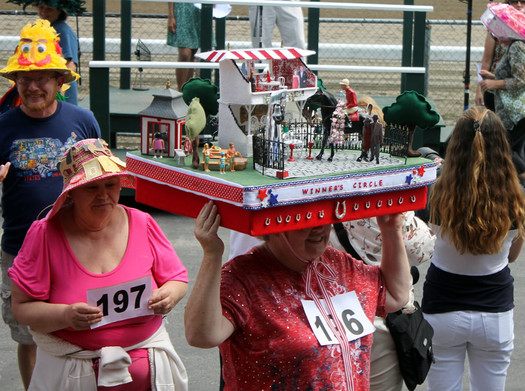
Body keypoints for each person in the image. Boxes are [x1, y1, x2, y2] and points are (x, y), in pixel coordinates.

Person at [8, 138, 189, 390]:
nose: (103, 195)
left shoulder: (142, 222)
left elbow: (177, 278)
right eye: (91, 188)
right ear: (72, 191)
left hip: (146, 367)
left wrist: (169, 295)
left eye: (111, 184)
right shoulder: (44, 233)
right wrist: (66, 315)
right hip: (72, 369)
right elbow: (22, 308)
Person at [186, 201, 411, 390]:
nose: (319, 228)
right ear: (273, 224)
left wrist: (391, 229)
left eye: (324, 216)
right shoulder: (243, 277)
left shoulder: (337, 263)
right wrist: (212, 255)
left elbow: (394, 296)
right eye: (305, 219)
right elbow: (201, 335)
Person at [0, 19, 100, 389]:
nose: (32, 86)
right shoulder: (3, 126)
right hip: (21, 250)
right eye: (25, 80)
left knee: (79, 325)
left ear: (60, 81)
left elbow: (100, 181)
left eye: (42, 78)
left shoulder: (83, 120)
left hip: (78, 246)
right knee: (28, 336)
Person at [422, 106, 525, 391]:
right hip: (495, 314)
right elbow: (512, 256)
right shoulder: (517, 197)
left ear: (455, 145)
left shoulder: (436, 190)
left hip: (441, 311)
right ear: (501, 145)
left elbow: (427, 242)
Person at [329, 212, 435, 391]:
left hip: (326, 307)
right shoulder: (384, 200)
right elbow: (421, 249)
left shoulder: (312, 196)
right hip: (375, 315)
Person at [479, 2, 525, 184]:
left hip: (516, 113)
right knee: (512, 150)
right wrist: (490, 75)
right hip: (514, 112)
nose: (496, 37)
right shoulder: (513, 47)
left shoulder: (516, 48)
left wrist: (493, 83)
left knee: (507, 150)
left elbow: (521, 80)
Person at [475, 0, 524, 110]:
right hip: (494, 89)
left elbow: (521, 79)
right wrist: (479, 90)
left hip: (519, 94)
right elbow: (486, 61)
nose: (519, 5)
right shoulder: (496, 28)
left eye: (523, 2)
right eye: (515, 1)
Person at [167, 2, 200, 91]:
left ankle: (186, 91)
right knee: (185, 54)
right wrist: (171, 16)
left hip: (197, 9)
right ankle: (180, 91)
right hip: (181, 10)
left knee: (192, 53)